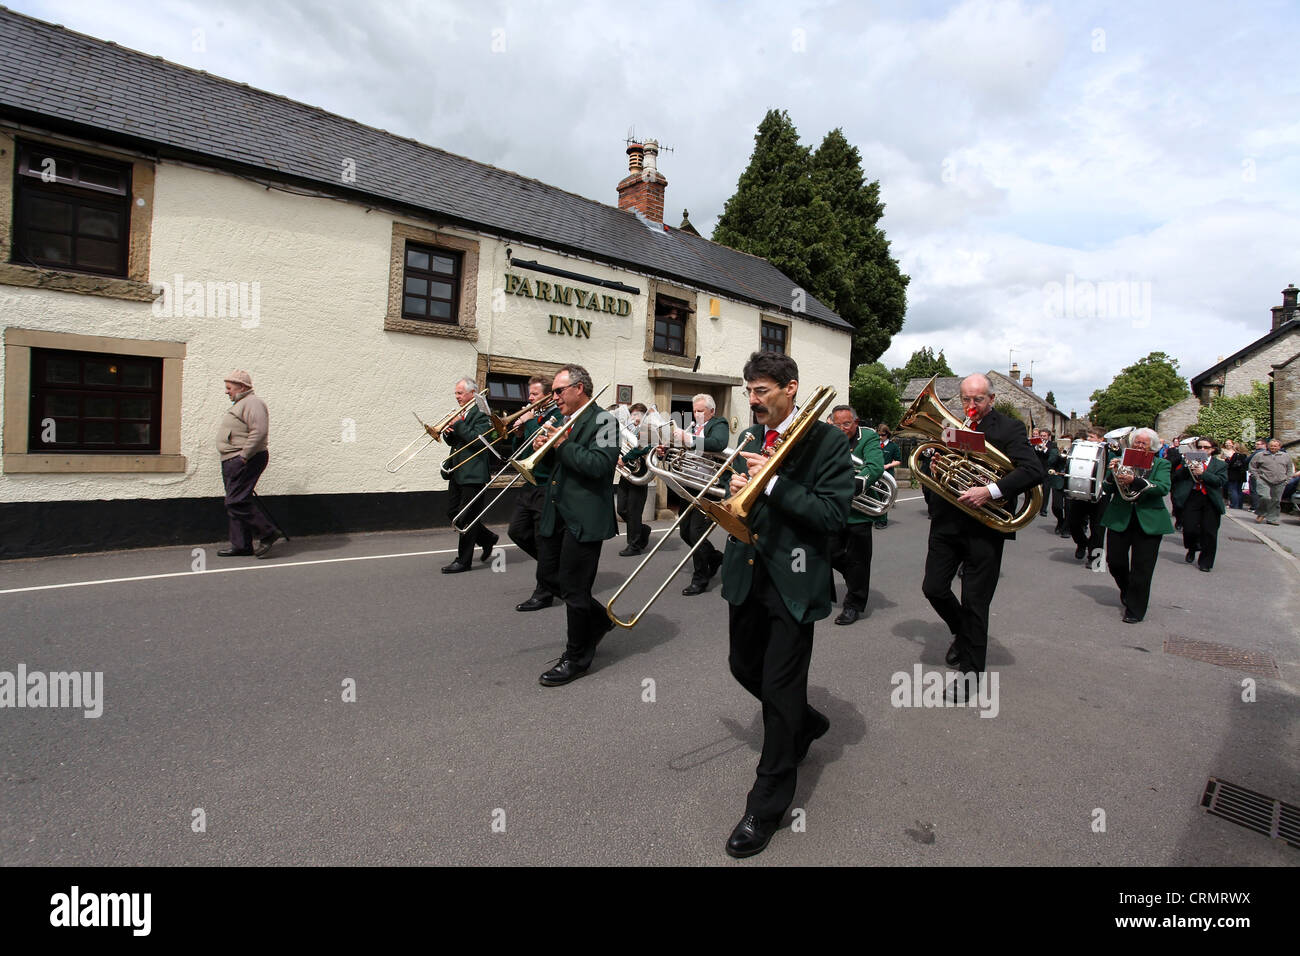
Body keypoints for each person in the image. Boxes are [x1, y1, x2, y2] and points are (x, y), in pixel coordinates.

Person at [719, 351, 852, 858]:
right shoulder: (752, 437)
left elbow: (833, 514)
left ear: (791, 389)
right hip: (747, 574)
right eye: (749, 391)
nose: (752, 401)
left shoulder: (825, 442)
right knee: (741, 666)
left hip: (794, 579)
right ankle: (809, 722)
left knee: (777, 690)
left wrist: (773, 483)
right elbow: (742, 498)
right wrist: (739, 487)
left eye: (762, 391)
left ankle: (766, 805)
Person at [921, 375, 1043, 701]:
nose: (971, 406)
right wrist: (935, 467)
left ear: (991, 398)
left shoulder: (1009, 428)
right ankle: (963, 635)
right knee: (933, 588)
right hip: (946, 524)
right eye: (965, 399)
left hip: (985, 528)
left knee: (975, 603)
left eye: (978, 400)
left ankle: (972, 675)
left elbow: (1033, 470)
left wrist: (989, 490)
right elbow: (943, 469)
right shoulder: (952, 427)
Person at [534, 364, 619, 687]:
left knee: (574, 588)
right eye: (554, 392)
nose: (554, 397)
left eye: (559, 391)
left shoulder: (606, 421)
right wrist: (542, 447)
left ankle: (576, 657)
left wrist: (561, 445)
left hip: (584, 519)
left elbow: (599, 466)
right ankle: (598, 621)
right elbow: (556, 466)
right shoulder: (562, 421)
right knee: (548, 576)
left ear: (579, 389)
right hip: (557, 514)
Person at [1101, 427, 1174, 623]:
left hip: (1148, 520)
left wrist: (1136, 480)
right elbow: (1107, 488)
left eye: (1144, 443)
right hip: (1120, 517)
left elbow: (1163, 488)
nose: (1139, 446)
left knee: (1142, 568)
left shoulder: (1162, 464)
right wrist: (1112, 474)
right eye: (1137, 442)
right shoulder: (1119, 461)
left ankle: (1135, 609)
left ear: (1153, 447)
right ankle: (1127, 589)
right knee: (1115, 562)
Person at [509, 375, 564, 611]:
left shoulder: (558, 416)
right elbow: (521, 452)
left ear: (548, 396)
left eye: (534, 394)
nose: (529, 398)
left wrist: (529, 423)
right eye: (529, 394)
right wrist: (518, 434)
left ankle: (544, 592)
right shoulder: (536, 417)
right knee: (517, 531)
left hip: (546, 485)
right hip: (529, 483)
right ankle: (554, 571)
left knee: (544, 540)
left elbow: (545, 447)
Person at [828, 405, 884, 625]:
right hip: (833, 509)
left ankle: (853, 605)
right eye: (837, 424)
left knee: (860, 560)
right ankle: (854, 578)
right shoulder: (829, 438)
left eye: (847, 424)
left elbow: (875, 466)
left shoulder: (867, 437)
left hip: (859, 511)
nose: (842, 428)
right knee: (828, 552)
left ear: (856, 422)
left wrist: (849, 487)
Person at [216, 370, 281, 558]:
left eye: (229, 388)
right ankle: (241, 545)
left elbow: (259, 431)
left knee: (236, 500)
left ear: (242, 387)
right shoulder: (242, 404)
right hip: (233, 458)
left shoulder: (253, 403)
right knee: (235, 500)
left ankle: (268, 532)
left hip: (246, 458)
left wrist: (243, 456)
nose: (226, 392)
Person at [441, 376, 499, 573]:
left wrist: (458, 425)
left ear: (472, 394)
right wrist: (449, 432)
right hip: (457, 470)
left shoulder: (483, 413)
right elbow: (457, 442)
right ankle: (488, 538)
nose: (456, 397)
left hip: (474, 473)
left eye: (459, 393)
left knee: (467, 517)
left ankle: (463, 561)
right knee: (453, 513)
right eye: (456, 393)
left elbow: (478, 441)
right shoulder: (462, 413)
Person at [672, 393, 728, 595]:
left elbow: (718, 443)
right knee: (684, 532)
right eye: (694, 410)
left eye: (701, 411)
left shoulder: (719, 423)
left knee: (696, 532)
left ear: (711, 411)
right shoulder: (692, 427)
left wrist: (690, 439)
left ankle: (701, 578)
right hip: (689, 484)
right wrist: (667, 447)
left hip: (707, 486)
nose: (696, 414)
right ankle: (714, 557)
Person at [1181, 437, 1227, 571]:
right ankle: (1192, 547)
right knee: (1189, 528)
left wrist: (1203, 474)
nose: (1202, 450)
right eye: (1199, 447)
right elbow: (1178, 476)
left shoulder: (1220, 464)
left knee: (1210, 532)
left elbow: (1220, 481)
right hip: (1193, 496)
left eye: (1206, 447)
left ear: (1212, 449)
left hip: (1210, 499)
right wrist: (1185, 466)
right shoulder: (1190, 459)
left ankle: (1206, 562)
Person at [1067, 427, 1110, 565]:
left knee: (1098, 529)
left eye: (1092, 437)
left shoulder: (1111, 452)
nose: (1089, 439)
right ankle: (1082, 543)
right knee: (1073, 523)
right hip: (1081, 491)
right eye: (1088, 437)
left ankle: (1095, 560)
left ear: (1101, 439)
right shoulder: (1081, 448)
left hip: (1101, 495)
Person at [616, 403, 653, 556]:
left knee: (633, 512)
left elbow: (645, 447)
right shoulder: (627, 430)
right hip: (626, 475)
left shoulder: (649, 431)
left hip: (640, 475)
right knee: (621, 509)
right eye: (633, 415)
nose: (635, 418)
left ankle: (634, 545)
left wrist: (625, 458)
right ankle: (642, 530)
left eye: (638, 415)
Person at [1250, 438, 1295, 526]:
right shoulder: (1260, 455)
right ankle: (1261, 513)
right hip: (1264, 480)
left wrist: (1287, 479)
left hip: (1280, 481)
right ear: (1268, 446)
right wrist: (1257, 477)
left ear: (1279, 447)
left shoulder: (1285, 456)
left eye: (1275, 446)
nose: (1273, 447)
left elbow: (1290, 468)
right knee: (1265, 497)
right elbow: (1252, 466)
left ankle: (1272, 518)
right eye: (1271, 446)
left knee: (1276, 500)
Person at [874, 424, 901, 529]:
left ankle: (883, 520)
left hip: (887, 474)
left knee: (884, 498)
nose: (880, 437)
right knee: (875, 496)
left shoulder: (893, 446)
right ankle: (876, 518)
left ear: (887, 434)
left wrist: (888, 465)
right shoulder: (875, 444)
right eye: (879, 435)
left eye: (883, 435)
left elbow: (898, 461)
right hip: (875, 473)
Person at [1222, 439, 1248, 510]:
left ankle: (1234, 505)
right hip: (1242, 475)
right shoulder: (1245, 456)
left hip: (1233, 475)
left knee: (1233, 490)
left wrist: (1227, 460)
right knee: (1239, 490)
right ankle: (1240, 505)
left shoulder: (1236, 455)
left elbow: (1230, 464)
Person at [1246, 438, 1267, 512]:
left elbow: (1248, 461)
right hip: (1265, 475)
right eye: (1256, 444)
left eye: (1258, 444)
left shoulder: (1257, 453)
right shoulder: (1268, 453)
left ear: (1264, 445)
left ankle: (1255, 507)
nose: (1256, 446)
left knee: (1254, 490)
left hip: (1256, 474)